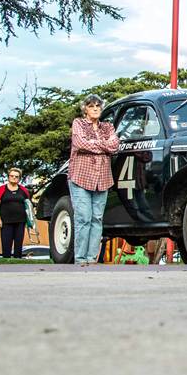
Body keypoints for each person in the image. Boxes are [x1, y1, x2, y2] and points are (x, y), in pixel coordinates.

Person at [68, 94, 119, 265]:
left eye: (98, 105)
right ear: (85, 109)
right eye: (91, 106)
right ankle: (80, 259)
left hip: (102, 179)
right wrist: (104, 146)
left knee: (97, 219)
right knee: (84, 218)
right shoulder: (78, 123)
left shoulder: (108, 127)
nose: (95, 108)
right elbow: (81, 143)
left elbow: (114, 145)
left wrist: (97, 145)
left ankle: (92, 258)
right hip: (81, 177)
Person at [0, 168, 31, 258]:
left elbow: (28, 206)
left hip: (20, 221)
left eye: (16, 177)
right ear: (8, 177)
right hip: (6, 222)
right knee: (6, 245)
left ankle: (17, 262)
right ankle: (6, 263)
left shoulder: (23, 191)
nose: (14, 178)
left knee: (18, 244)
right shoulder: (2, 189)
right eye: (12, 176)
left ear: (19, 178)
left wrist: (30, 221)